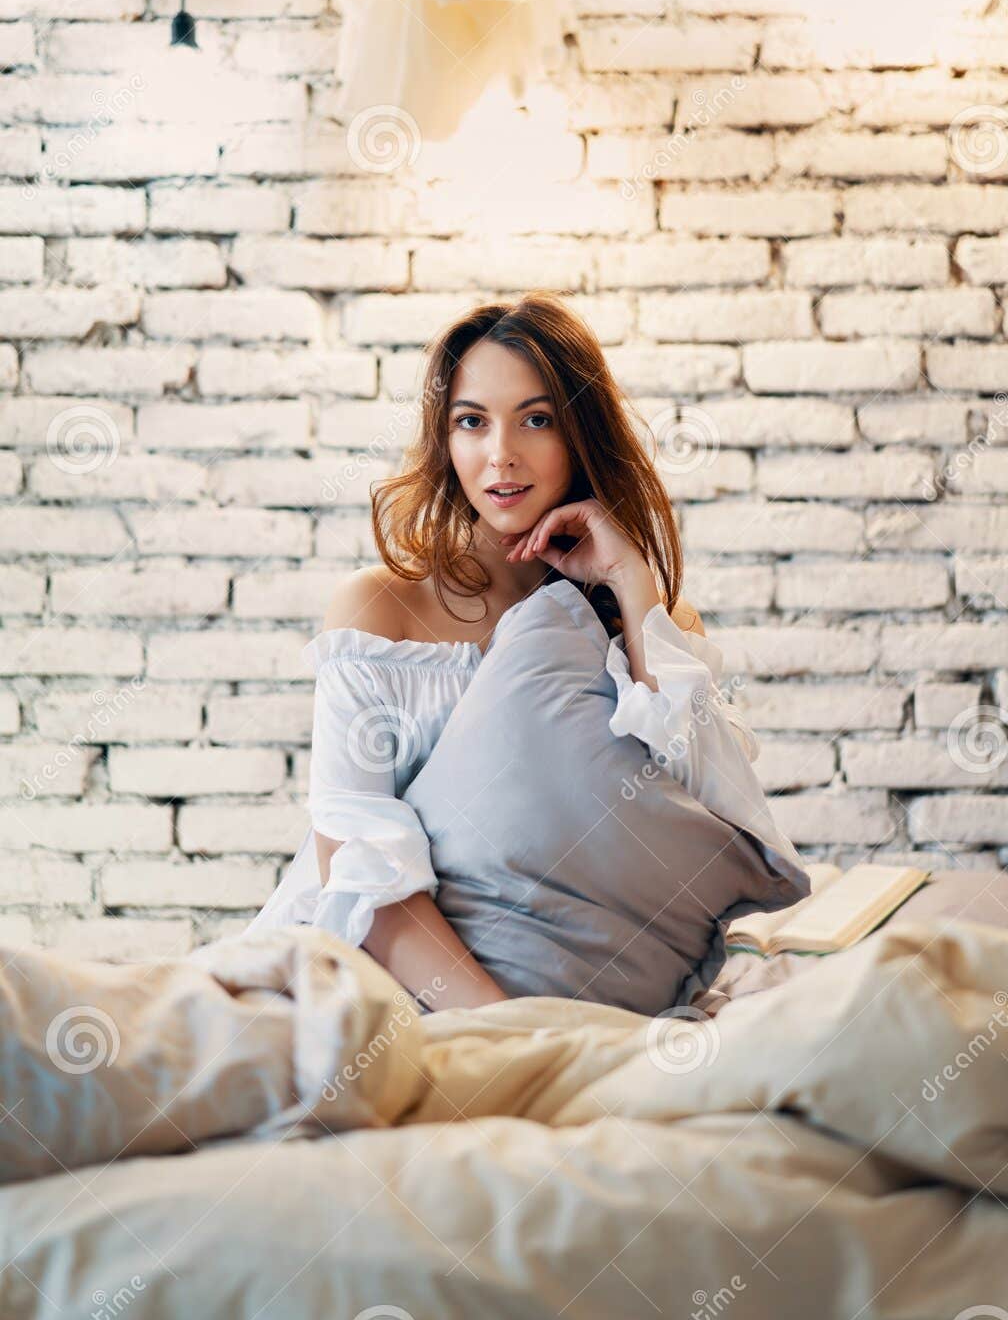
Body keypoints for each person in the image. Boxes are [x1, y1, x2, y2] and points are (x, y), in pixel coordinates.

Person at [245, 293, 806, 1012]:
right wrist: (505, 1027)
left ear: (580, 435)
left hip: (584, 984)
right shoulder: (381, 607)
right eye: (471, 422)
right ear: (444, 440)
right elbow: (356, 865)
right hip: (383, 980)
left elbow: (715, 800)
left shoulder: (645, 620)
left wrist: (631, 586)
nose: (500, 454)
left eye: (536, 420)